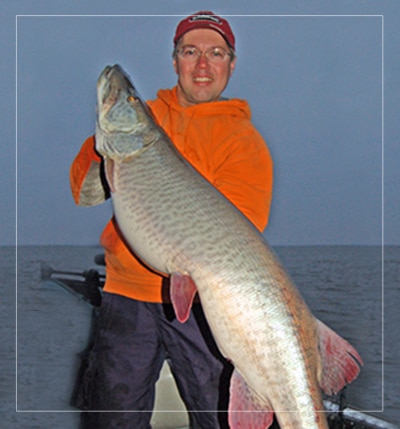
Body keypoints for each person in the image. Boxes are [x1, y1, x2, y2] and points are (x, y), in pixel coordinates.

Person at [70, 11, 274, 429]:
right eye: (190, 52)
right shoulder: (146, 118)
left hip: (201, 307)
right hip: (126, 297)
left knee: (216, 418)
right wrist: (104, 144)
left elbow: (235, 242)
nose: (202, 65)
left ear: (231, 64)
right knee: (112, 420)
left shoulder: (244, 143)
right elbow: (83, 192)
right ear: (175, 60)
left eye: (215, 53)